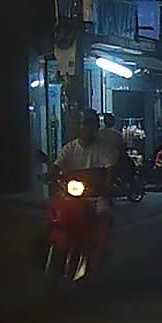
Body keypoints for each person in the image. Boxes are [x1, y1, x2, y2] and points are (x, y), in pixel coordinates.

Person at [51, 109, 117, 264]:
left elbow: (111, 172)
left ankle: (98, 254)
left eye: (90, 124)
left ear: (96, 127)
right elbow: (57, 166)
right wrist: (50, 175)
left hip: (96, 197)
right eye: (83, 123)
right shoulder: (69, 148)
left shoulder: (105, 149)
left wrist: (107, 187)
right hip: (71, 197)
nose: (87, 128)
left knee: (103, 217)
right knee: (54, 215)